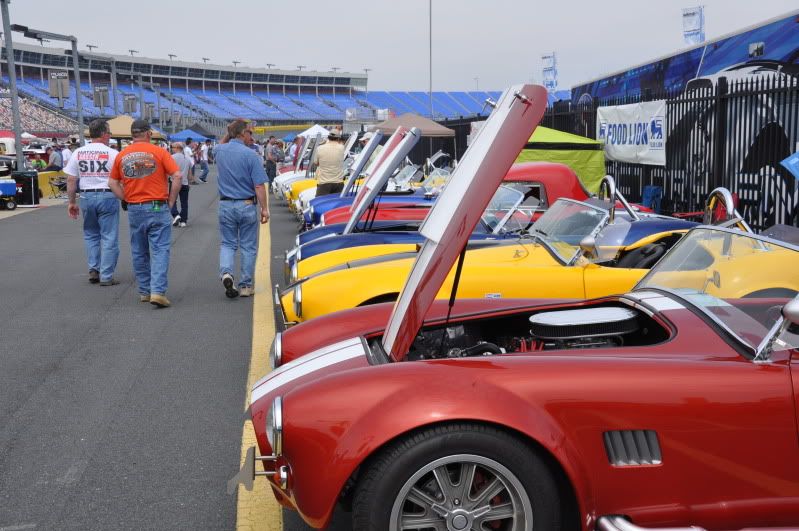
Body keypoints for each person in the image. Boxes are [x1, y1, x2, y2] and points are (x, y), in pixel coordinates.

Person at [109, 119, 182, 308]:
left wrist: (125, 198)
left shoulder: (122, 155)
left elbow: (112, 183)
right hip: (157, 205)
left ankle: (145, 290)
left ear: (132, 135)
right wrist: (171, 201)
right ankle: (158, 291)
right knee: (159, 249)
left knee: (139, 250)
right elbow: (177, 176)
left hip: (135, 206)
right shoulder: (159, 152)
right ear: (148, 133)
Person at [213, 119, 269, 299]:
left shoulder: (219, 150)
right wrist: (264, 209)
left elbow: (221, 144)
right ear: (242, 133)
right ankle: (245, 285)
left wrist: (229, 132)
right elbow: (259, 185)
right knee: (248, 246)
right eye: (249, 132)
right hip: (246, 204)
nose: (250, 136)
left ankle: (227, 273)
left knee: (228, 243)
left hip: (225, 203)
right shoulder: (251, 155)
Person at [64, 118, 121, 286]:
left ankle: (93, 269)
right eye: (109, 133)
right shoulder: (112, 153)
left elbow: (71, 179)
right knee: (109, 236)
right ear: (104, 134)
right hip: (107, 195)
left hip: (87, 195)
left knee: (91, 234)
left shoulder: (79, 152)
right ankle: (107, 275)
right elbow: (120, 179)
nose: (110, 136)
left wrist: (71, 202)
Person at [312, 127, 346, 196]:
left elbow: (316, 163)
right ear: (338, 138)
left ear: (328, 137)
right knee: (337, 205)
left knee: (321, 204)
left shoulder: (320, 148)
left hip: (324, 183)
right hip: (338, 182)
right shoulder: (341, 148)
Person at [169, 142, 192, 227]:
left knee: (172, 200)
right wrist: (189, 182)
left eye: (172, 147)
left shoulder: (171, 157)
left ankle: (176, 215)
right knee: (184, 203)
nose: (171, 148)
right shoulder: (187, 159)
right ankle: (183, 221)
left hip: (174, 182)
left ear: (177, 148)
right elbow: (189, 173)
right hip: (185, 183)